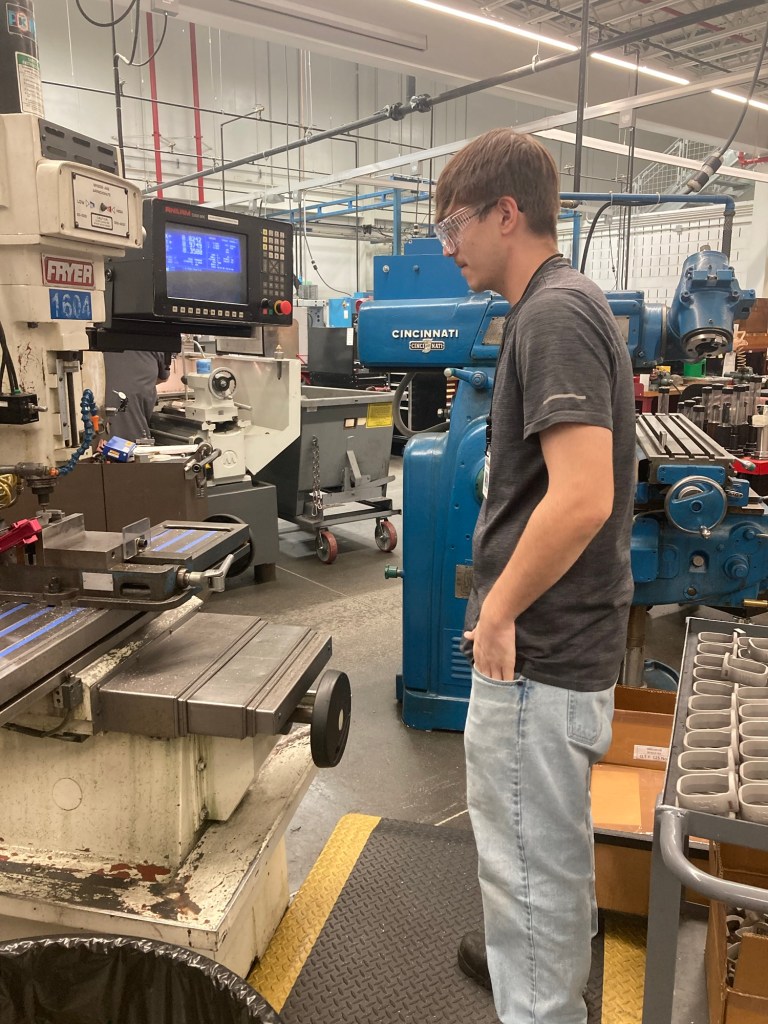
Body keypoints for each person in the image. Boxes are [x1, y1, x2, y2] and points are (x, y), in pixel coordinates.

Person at [433, 128, 635, 1023]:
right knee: (545, 862)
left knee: (528, 875)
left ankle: (541, 1006)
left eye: (455, 226)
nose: (449, 247)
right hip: (562, 652)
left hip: (539, 659)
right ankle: (543, 984)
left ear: (506, 213)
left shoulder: (552, 314)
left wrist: (500, 611)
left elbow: (583, 495)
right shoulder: (562, 304)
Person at [103, 349, 171, 443]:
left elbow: (163, 376)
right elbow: (163, 377)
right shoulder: (154, 346)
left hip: (116, 433)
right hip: (131, 435)